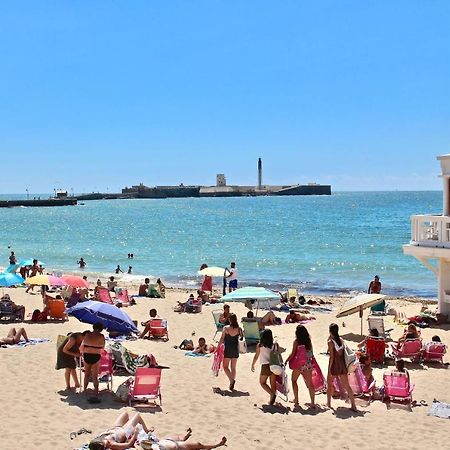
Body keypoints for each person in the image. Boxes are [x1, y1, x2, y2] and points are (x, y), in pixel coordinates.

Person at [88, 411, 227, 450]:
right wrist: (135, 436)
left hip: (163, 442)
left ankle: (185, 436)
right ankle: (217, 445)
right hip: (169, 446)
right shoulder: (110, 445)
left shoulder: (101, 439)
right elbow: (128, 445)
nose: (106, 444)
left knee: (178, 438)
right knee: (198, 445)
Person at [326, 323, 357, 411]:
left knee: (329, 383)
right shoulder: (341, 340)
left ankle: (328, 403)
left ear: (330, 331)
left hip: (335, 365)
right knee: (347, 386)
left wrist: (329, 368)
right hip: (342, 364)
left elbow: (332, 357)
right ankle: (353, 405)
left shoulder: (330, 342)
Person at [285, 325, 316, 408]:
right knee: (310, 384)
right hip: (308, 364)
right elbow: (311, 353)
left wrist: (286, 360)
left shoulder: (297, 341)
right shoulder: (308, 341)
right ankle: (312, 403)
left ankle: (296, 400)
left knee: (294, 380)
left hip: (299, 365)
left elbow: (292, 354)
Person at [251, 329, 278, 405]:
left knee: (262, 382)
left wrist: (253, 364)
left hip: (265, 365)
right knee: (273, 384)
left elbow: (256, 356)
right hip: (274, 364)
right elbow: (277, 353)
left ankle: (272, 395)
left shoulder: (260, 345)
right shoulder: (274, 345)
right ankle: (272, 400)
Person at [217, 313, 242, 391]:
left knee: (225, 367)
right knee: (233, 368)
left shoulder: (226, 328)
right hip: (235, 349)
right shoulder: (239, 329)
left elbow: (221, 339)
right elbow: (241, 338)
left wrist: (217, 347)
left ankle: (231, 380)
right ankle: (231, 383)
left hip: (227, 349)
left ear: (229, 320)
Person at [81, 322, 105, 401]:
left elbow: (82, 345)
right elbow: (102, 348)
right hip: (96, 356)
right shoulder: (101, 336)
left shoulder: (87, 334)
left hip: (87, 355)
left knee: (86, 374)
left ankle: (84, 389)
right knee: (95, 376)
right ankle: (96, 391)